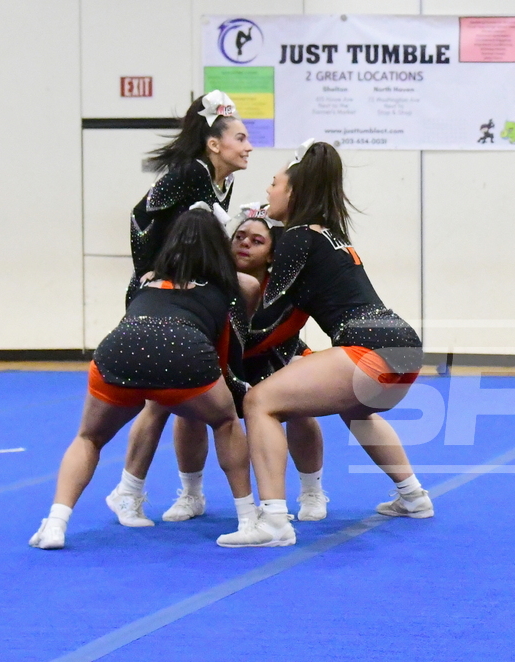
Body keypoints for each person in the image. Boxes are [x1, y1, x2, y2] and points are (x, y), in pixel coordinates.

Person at [216, 140, 431, 549]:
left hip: (369, 349)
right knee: (356, 411)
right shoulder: (329, 234)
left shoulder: (297, 238)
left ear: (294, 191)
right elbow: (294, 318)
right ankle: (413, 497)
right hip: (404, 346)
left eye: (274, 183)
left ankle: (274, 521)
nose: (268, 191)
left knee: (260, 403)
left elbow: (273, 320)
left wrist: (226, 347)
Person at [31, 210, 260, 550]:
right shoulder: (238, 286)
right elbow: (231, 342)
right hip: (184, 351)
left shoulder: (145, 278)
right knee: (225, 423)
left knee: (89, 438)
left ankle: (55, 524)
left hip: (120, 349)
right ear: (220, 246)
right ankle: (248, 518)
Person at [113, 205, 329, 526]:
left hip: (271, 356)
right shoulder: (208, 279)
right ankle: (191, 493)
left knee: (298, 403)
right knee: (181, 405)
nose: (245, 243)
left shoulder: (282, 288)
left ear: (273, 254)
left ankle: (311, 491)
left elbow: (284, 330)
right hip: (223, 359)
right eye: (239, 236)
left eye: (257, 241)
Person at [104, 90, 253, 528]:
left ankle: (170, 492)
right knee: (160, 398)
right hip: (162, 291)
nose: (249, 146)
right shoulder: (190, 172)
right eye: (241, 138)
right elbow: (140, 217)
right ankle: (130, 491)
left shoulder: (223, 181)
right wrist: (148, 271)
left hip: (193, 293)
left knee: (181, 395)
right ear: (214, 144)